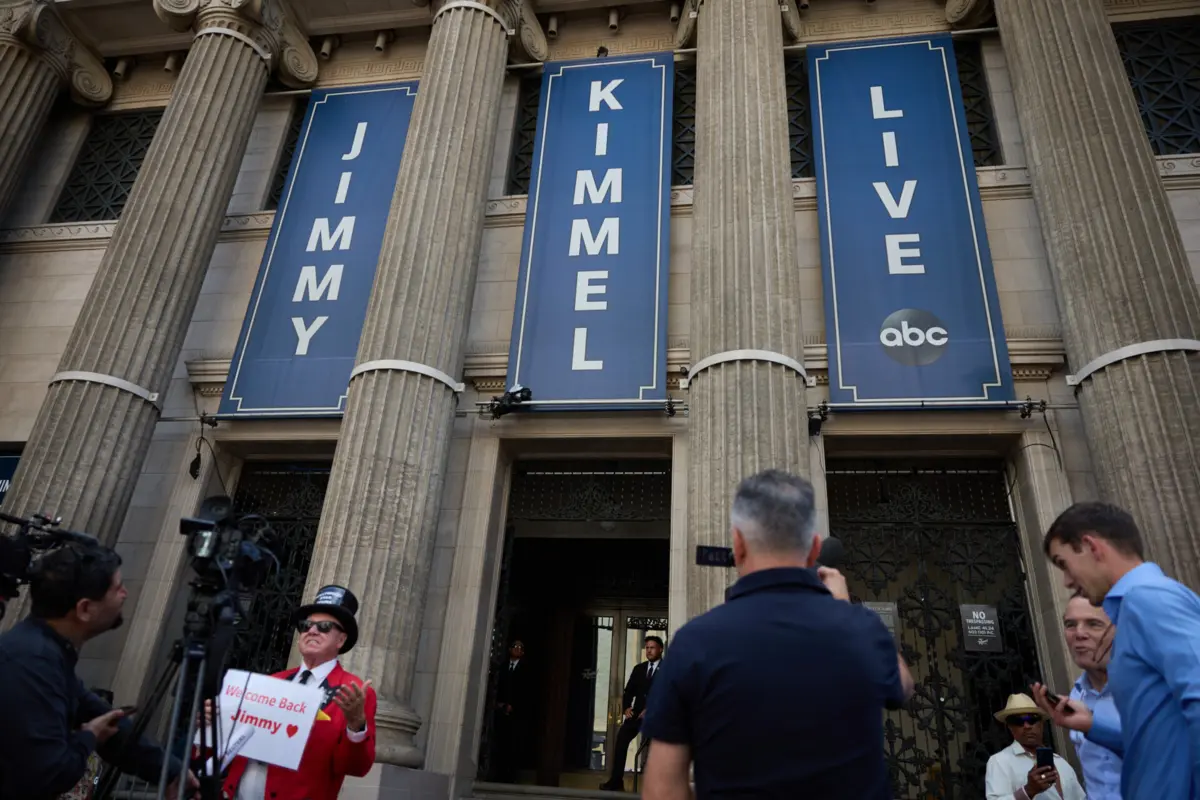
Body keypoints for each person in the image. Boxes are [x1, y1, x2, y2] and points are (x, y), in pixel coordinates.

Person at [641, 469, 914, 799]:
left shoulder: (693, 643)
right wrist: (844, 606)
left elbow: (662, 788)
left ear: (738, 543)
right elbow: (903, 686)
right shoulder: (861, 629)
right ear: (814, 549)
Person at [1032, 501, 1200, 800]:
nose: (1068, 581)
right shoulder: (1140, 604)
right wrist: (1093, 725)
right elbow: (1158, 744)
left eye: (1063, 563)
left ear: (1091, 547)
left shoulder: (1149, 599)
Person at [0, 540, 190, 799]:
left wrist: (171, 771)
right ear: (85, 609)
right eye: (118, 588)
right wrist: (90, 737)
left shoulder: (48, 652)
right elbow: (48, 774)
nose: (125, 594)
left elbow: (106, 719)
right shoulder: (32, 661)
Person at [218, 585, 376, 800]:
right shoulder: (274, 681)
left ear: (341, 640)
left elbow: (355, 768)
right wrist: (216, 723)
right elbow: (234, 743)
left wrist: (356, 726)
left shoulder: (353, 691)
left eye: (325, 626)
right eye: (306, 625)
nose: (312, 630)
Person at [1062, 595, 1122, 799]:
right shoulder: (1077, 695)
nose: (1079, 633)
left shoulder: (1160, 689)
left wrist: (1094, 727)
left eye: (1093, 624)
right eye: (1070, 624)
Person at [985, 694, 1084, 800]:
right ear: (1010, 727)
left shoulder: (1061, 763)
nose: (1027, 726)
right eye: (1018, 721)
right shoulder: (1000, 761)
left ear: (1041, 723)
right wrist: (1028, 791)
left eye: (1032, 719)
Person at [600, 635, 664, 791]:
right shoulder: (639, 669)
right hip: (636, 716)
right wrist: (626, 708)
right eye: (647, 648)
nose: (649, 651)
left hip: (657, 716)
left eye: (652, 647)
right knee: (621, 740)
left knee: (657, 750)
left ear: (660, 649)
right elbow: (629, 691)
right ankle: (616, 781)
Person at [492, 639, 533, 782]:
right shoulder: (502, 667)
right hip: (501, 712)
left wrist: (514, 705)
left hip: (518, 715)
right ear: (509, 649)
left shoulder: (526, 669)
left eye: (520, 647)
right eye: (515, 647)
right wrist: (499, 704)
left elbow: (527, 692)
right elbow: (495, 687)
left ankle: (511, 775)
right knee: (499, 743)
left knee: (514, 745)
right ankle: (497, 773)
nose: (517, 649)